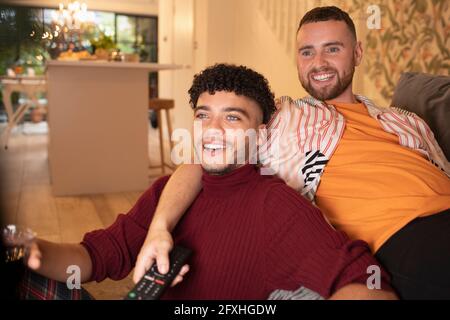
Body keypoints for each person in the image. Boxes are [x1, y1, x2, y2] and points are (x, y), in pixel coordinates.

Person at [134, 6, 450, 300]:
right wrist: (159, 228)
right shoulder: (281, 116)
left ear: (357, 53)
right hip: (402, 235)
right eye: (307, 52)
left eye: (333, 49)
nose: (319, 63)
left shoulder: (405, 119)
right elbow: (198, 165)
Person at [21, 64, 395, 300]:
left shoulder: (274, 205)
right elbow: (95, 256)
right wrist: (30, 250)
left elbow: (362, 279)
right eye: (204, 115)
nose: (212, 130)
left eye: (233, 118)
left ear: (260, 136)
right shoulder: (170, 191)